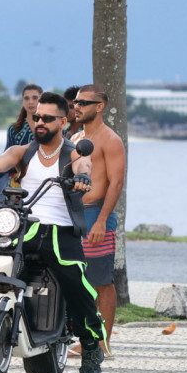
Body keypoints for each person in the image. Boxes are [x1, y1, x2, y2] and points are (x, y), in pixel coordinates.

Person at [0, 92, 107, 373]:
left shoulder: (71, 151)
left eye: (47, 118)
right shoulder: (23, 151)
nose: (40, 122)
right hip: (24, 227)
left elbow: (83, 163)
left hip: (59, 230)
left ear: (63, 122)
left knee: (75, 280)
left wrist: (82, 177)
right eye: (37, 117)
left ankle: (90, 347)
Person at [68, 84, 125, 357]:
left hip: (96, 214)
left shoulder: (110, 139)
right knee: (80, 280)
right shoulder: (77, 136)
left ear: (99, 106)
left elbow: (116, 183)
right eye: (76, 102)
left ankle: (104, 342)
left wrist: (102, 220)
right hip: (75, 215)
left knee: (102, 281)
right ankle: (87, 338)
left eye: (83, 102)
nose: (77, 106)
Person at [0, 83, 42, 215]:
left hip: (43, 181)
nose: (30, 102)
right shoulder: (14, 129)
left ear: (41, 100)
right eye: (26, 98)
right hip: (17, 183)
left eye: (35, 97)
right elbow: (6, 156)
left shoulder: (49, 127)